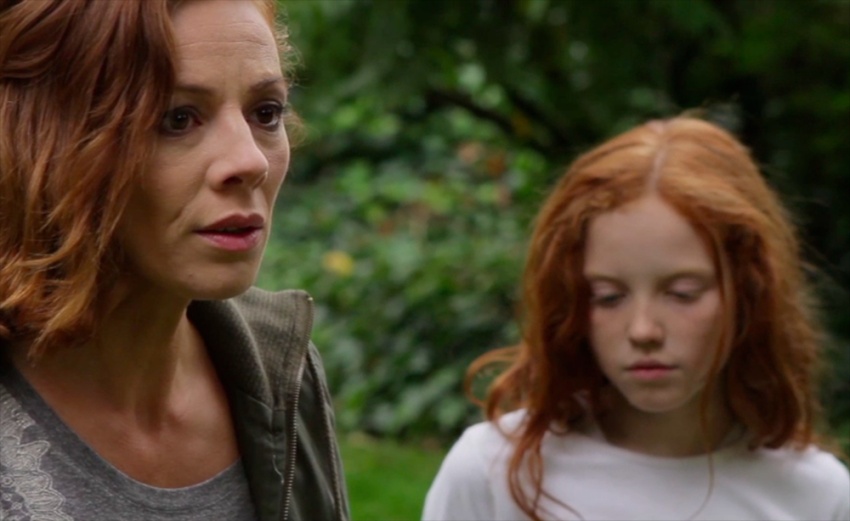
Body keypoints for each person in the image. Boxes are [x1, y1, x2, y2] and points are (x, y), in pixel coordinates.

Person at [0, 1, 349, 520]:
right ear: (43, 143)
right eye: (177, 118)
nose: (250, 160)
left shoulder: (278, 372)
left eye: (265, 113)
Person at [422, 117, 850, 521]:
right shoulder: (493, 472)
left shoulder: (816, 495)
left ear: (749, 292)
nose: (643, 330)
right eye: (608, 297)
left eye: (683, 293)